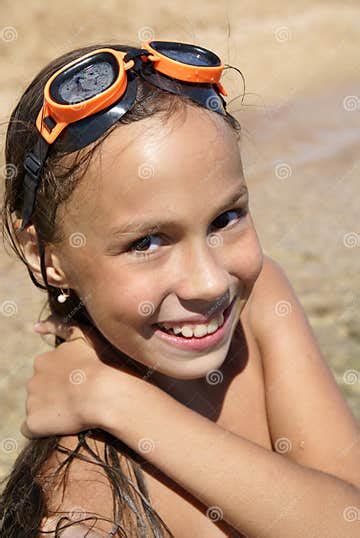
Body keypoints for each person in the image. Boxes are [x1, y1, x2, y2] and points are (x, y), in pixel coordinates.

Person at [0, 40, 359, 538]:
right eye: (147, 241)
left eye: (225, 218)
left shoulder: (259, 302)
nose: (211, 280)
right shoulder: (82, 506)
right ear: (50, 256)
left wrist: (119, 401)